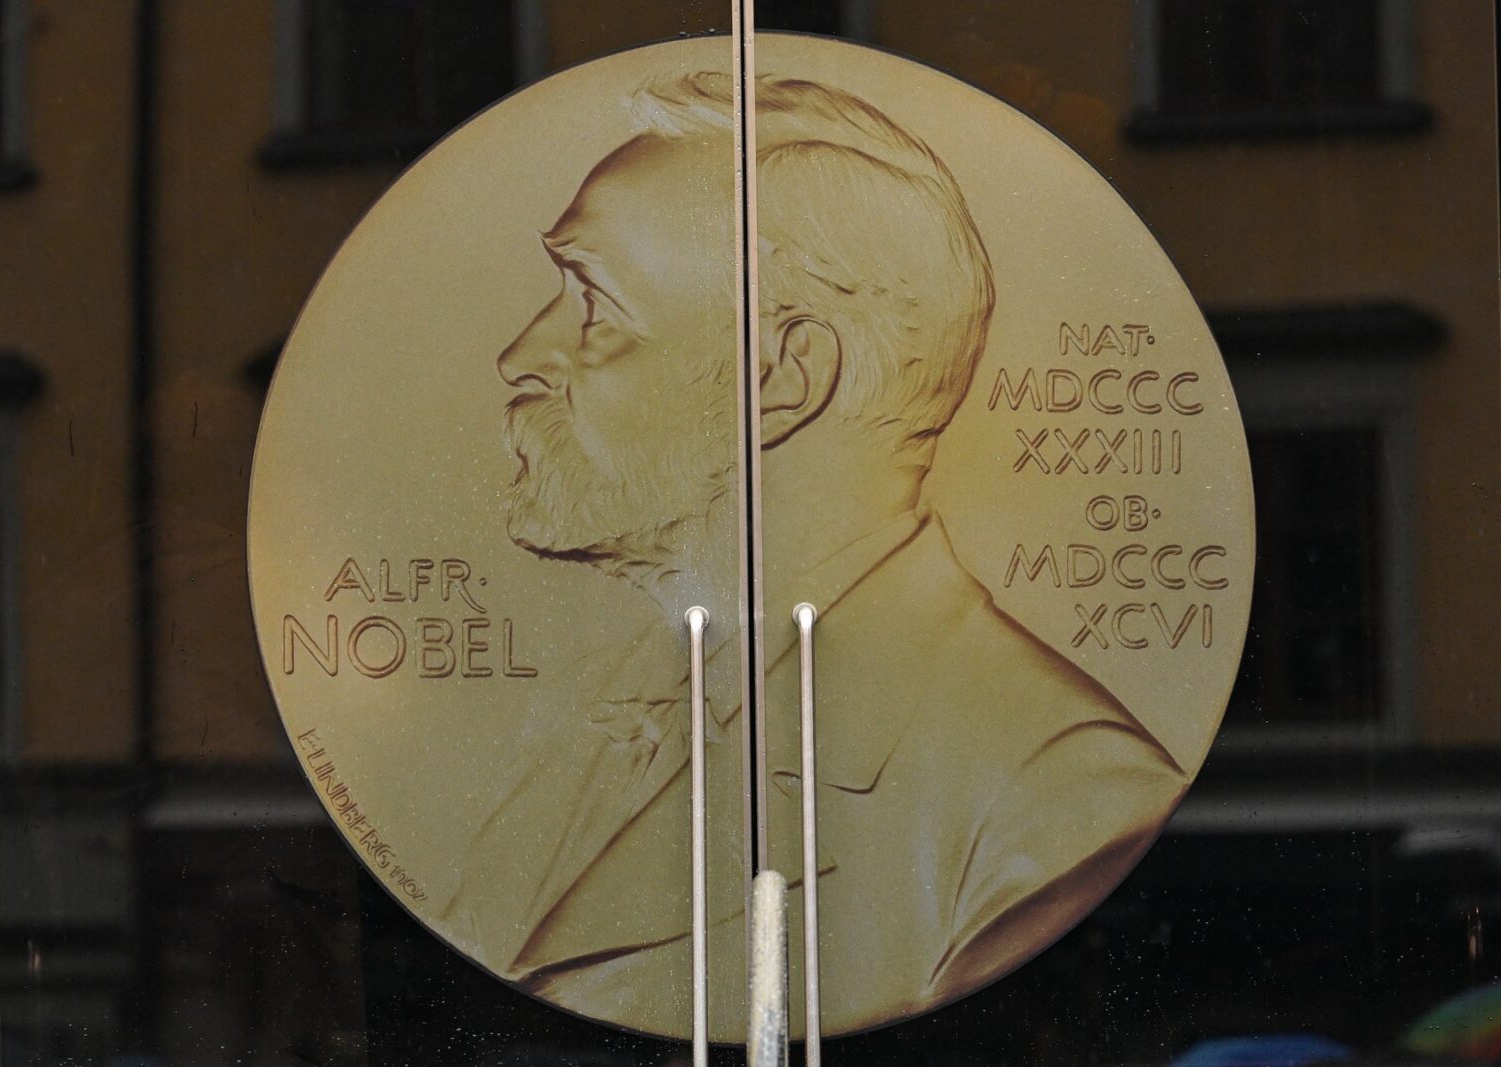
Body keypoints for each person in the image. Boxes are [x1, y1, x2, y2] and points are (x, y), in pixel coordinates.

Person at [434, 72, 1186, 1039]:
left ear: (785, 376)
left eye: (594, 306)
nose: (521, 354)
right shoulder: (597, 722)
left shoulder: (1058, 804)